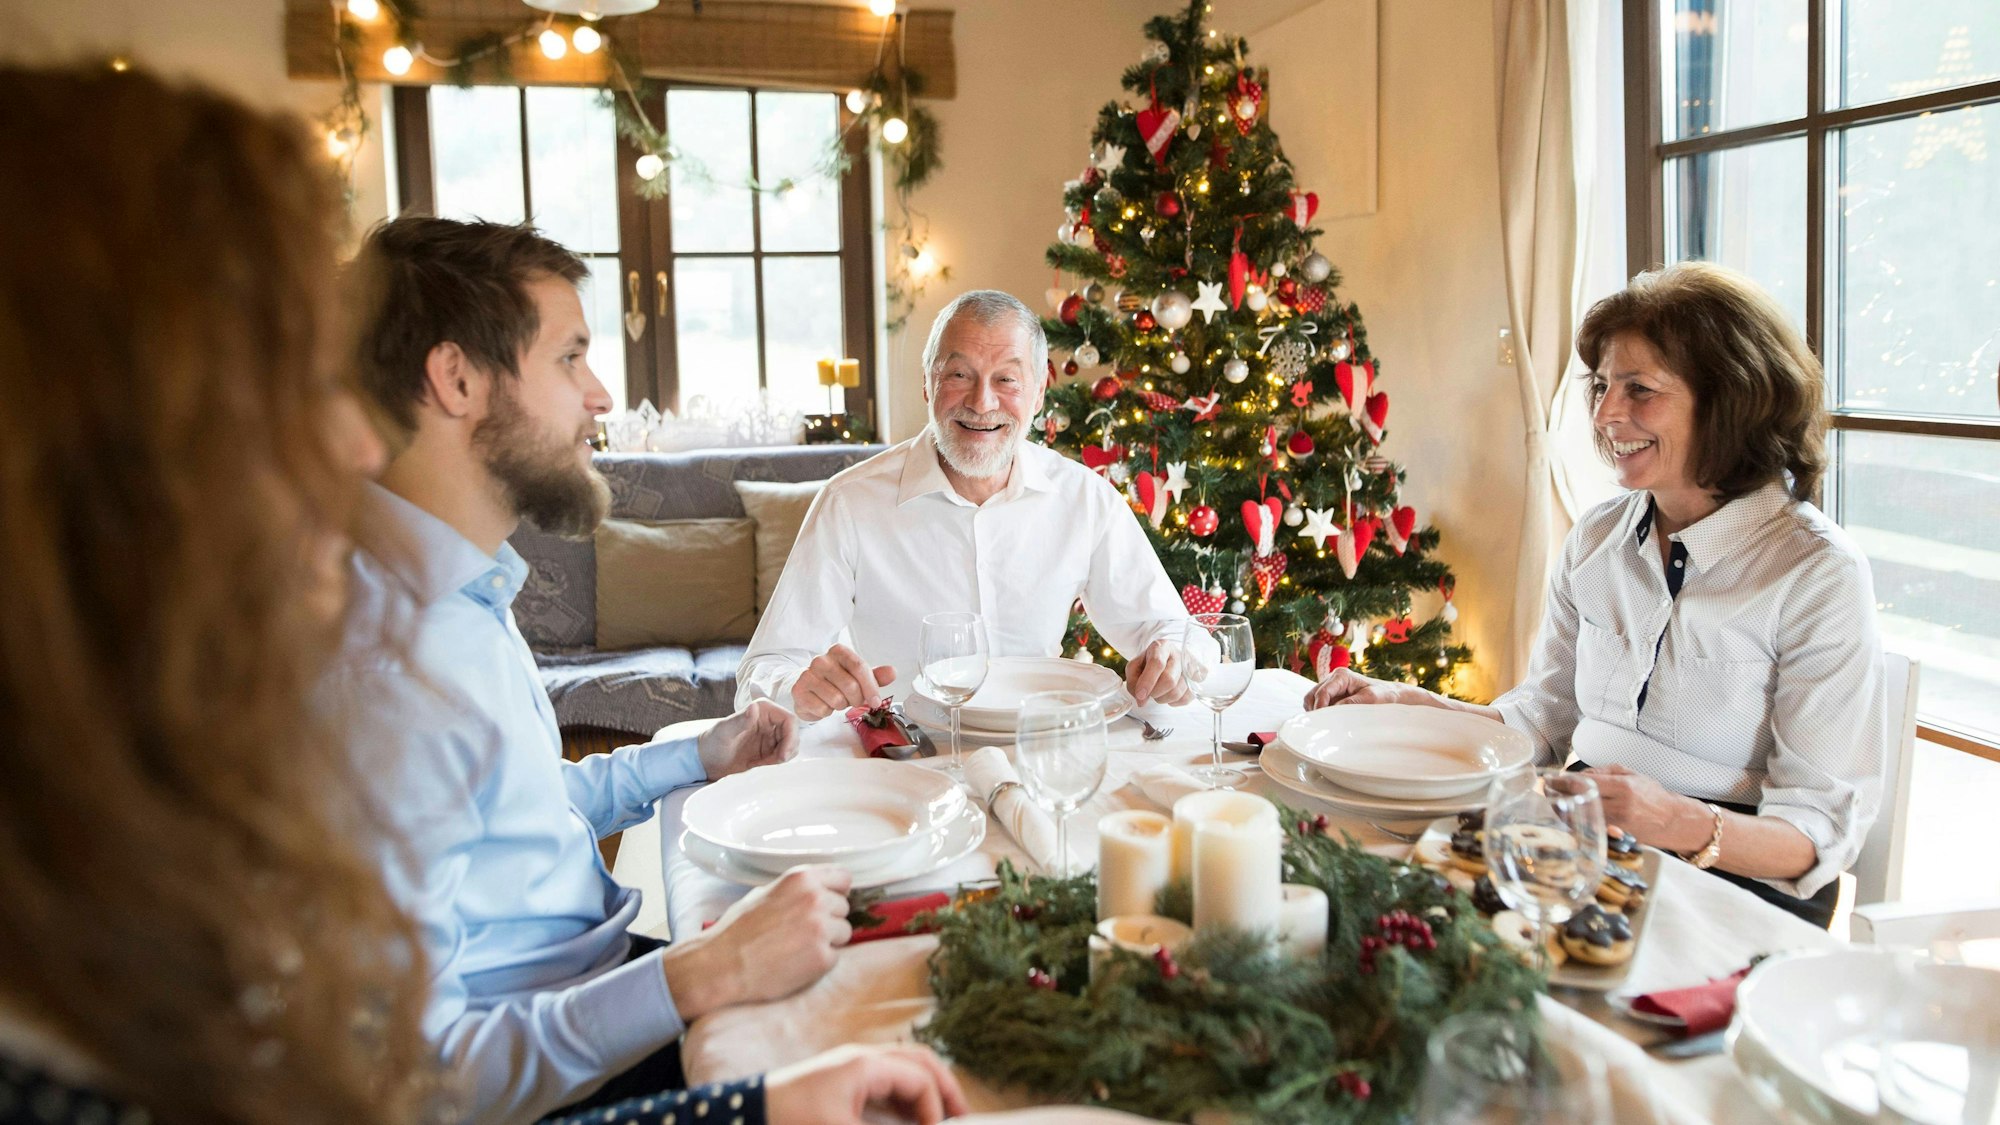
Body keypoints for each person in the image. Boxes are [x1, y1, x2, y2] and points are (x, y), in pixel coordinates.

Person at [336, 215, 966, 1124]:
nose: (600, 395)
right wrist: (701, 971)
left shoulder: (461, 589)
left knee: (912, 961)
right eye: (570, 357)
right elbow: (412, 1079)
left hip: (596, 986)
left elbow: (522, 811)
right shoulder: (383, 667)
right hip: (570, 1078)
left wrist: (702, 754)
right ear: (457, 377)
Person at [1306, 262, 1884, 928]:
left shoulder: (1817, 572)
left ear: (1731, 398)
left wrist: (1674, 820)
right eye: (1603, 385)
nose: (1607, 415)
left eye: (1640, 389)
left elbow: (1816, 835)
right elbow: (1545, 717)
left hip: (1737, 883)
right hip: (1590, 837)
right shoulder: (1598, 536)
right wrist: (1412, 707)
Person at [737, 289, 1194, 721]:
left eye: (1007, 379)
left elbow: (1168, 630)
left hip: (1040, 750)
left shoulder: (1084, 499)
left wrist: (1169, 656)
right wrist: (797, 687)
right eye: (958, 375)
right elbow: (765, 669)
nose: (982, 402)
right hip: (903, 761)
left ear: (1038, 394)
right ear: (926, 385)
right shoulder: (848, 503)